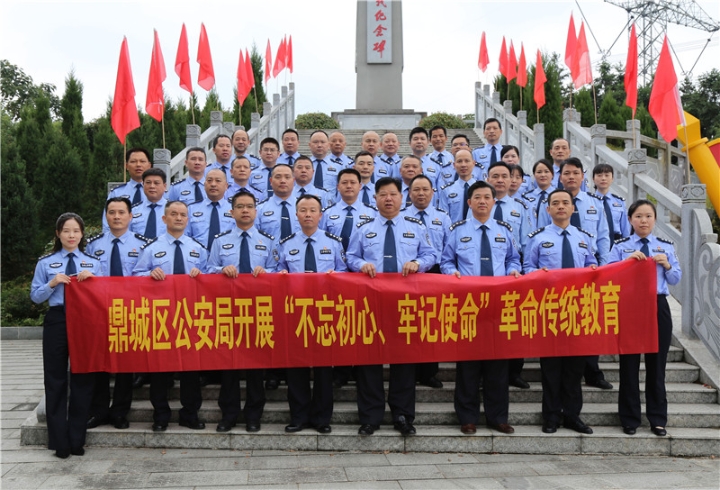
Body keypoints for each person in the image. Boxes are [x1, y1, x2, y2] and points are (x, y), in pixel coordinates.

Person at [346, 177, 437, 436]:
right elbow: (350, 256)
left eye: (393, 194)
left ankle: (403, 415)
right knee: (368, 360)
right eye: (383, 194)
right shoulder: (363, 228)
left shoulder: (415, 226)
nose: (388, 199)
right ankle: (370, 417)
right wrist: (360, 265)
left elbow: (431, 254)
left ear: (402, 197)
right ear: (374, 198)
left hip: (404, 303)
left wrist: (418, 264)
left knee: (404, 361)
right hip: (371, 303)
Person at [441, 181, 521, 435]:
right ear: (469, 202)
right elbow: (446, 261)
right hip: (468, 304)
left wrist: (513, 271)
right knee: (468, 364)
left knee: (498, 364)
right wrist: (451, 273)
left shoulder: (504, 230)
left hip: (498, 304)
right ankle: (467, 417)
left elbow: (513, 259)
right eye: (477, 197)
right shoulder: (457, 231)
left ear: (494, 201)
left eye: (487, 197)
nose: (483, 201)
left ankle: (498, 417)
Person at [523, 189, 598, 435]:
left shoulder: (583, 237)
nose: (561, 207)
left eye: (565, 203)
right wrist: (538, 275)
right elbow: (527, 267)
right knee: (551, 367)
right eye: (555, 203)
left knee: (575, 367)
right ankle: (551, 416)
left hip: (577, 308)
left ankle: (573, 416)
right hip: (550, 309)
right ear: (548, 209)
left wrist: (593, 269)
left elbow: (591, 264)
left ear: (573, 208)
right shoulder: (537, 238)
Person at [31, 213, 102, 458]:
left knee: (83, 378)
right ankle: (59, 441)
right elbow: (35, 296)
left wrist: (93, 281)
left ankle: (77, 439)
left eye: (76, 231)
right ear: (58, 234)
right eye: (66, 231)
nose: (71, 235)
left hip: (85, 321)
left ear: (82, 234)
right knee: (55, 379)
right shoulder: (45, 263)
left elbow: (103, 296)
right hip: (57, 319)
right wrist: (51, 284)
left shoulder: (93, 263)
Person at [132, 201, 207, 432]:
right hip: (161, 317)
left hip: (190, 316)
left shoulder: (197, 248)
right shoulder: (152, 248)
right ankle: (161, 415)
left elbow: (211, 277)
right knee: (160, 369)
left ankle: (190, 414)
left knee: (191, 369)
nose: (178, 218)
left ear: (188, 219)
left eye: (183, 215)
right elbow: (136, 275)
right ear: (164, 219)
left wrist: (201, 275)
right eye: (173, 214)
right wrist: (149, 273)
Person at [609, 200, 681, 437]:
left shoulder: (665, 246)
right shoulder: (621, 246)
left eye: (648, 216)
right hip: (630, 307)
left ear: (654, 219)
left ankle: (657, 419)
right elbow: (607, 274)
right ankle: (629, 419)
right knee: (629, 365)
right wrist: (625, 264)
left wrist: (667, 265)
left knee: (657, 365)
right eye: (638, 216)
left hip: (657, 305)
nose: (643, 221)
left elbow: (676, 278)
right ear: (630, 220)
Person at [275, 194, 347, 434]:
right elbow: (278, 272)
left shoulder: (333, 243)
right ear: (296, 215)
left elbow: (344, 272)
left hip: (324, 312)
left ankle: (321, 418)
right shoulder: (286, 244)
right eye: (303, 210)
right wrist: (281, 277)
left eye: (312, 210)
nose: (308, 214)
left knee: (324, 369)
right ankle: (299, 416)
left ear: (320, 215)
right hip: (295, 312)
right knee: (296, 367)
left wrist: (336, 279)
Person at [207, 190, 277, 433]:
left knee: (256, 366)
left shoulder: (268, 241)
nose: (245, 210)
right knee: (230, 364)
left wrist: (267, 272)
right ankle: (229, 414)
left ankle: (253, 415)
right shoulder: (220, 240)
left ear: (256, 211)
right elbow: (208, 268)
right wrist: (221, 270)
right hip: (229, 309)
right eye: (240, 207)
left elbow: (278, 269)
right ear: (232, 212)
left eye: (249, 206)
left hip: (259, 309)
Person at [85, 198, 150, 431]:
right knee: (100, 361)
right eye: (111, 212)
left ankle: (120, 411)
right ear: (106, 216)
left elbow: (146, 275)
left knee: (125, 363)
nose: (116, 216)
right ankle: (99, 410)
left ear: (130, 216)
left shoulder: (142, 244)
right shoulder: (93, 245)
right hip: (100, 310)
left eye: (121, 212)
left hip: (129, 310)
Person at [403, 174, 450, 389]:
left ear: (433, 192)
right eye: (416, 190)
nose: (421, 194)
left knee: (431, 324)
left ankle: (429, 372)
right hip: (407, 275)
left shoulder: (443, 217)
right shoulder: (401, 216)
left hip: (435, 273)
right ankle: (408, 371)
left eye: (425, 190)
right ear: (409, 193)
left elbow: (448, 249)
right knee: (408, 323)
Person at [320, 168, 377, 252]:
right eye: (344, 183)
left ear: (360, 186)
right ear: (338, 187)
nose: (349, 186)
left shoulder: (373, 212)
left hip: (362, 258)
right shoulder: (327, 213)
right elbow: (321, 239)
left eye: (353, 182)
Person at [102, 148, 153, 231]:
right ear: (126, 166)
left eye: (142, 161)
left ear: (149, 165)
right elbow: (107, 223)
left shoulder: (158, 192)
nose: (138, 165)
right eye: (133, 161)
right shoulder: (117, 193)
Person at [487, 162, 531, 255]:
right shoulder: (478, 205)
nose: (500, 180)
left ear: (510, 180)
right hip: (486, 257)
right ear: (488, 180)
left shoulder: (520, 207)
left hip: (513, 259)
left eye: (504, 176)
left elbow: (526, 242)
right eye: (495, 176)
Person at [186, 169, 234, 250]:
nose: (213, 184)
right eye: (209, 181)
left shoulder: (234, 209)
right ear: (204, 185)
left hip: (227, 253)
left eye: (218, 181)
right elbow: (185, 237)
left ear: (226, 186)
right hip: (197, 254)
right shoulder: (191, 209)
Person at [255, 164, 301, 242]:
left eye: (287, 177)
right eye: (278, 177)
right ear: (271, 181)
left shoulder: (303, 207)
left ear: (293, 181)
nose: (283, 181)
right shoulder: (260, 209)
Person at [592, 163, 630, 244]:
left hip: (616, 242)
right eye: (599, 175)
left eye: (607, 175)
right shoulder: (589, 201)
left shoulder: (619, 202)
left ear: (612, 178)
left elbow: (625, 228)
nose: (603, 178)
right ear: (593, 179)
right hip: (596, 241)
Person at [439, 149, 477, 223]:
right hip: (454, 229)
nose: (463, 165)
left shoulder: (482, 189)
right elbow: (443, 219)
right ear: (454, 165)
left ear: (473, 163)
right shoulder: (447, 190)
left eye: (467, 161)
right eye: (459, 161)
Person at [129, 168, 168, 240]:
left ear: (164, 186)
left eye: (156, 183)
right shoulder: (133, 210)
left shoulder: (173, 210)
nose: (152, 186)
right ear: (143, 185)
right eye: (148, 182)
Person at [522, 159, 556, 231]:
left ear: (552, 174)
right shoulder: (526, 197)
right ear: (534, 175)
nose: (543, 175)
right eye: (539, 172)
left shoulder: (559, 195)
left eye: (546, 171)